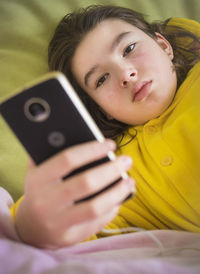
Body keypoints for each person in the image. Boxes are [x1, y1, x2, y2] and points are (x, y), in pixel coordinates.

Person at [10, 5, 200, 249]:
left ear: (164, 46)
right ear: (102, 109)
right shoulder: (115, 170)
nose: (125, 74)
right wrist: (30, 224)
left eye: (129, 49)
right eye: (101, 79)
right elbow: (64, 226)